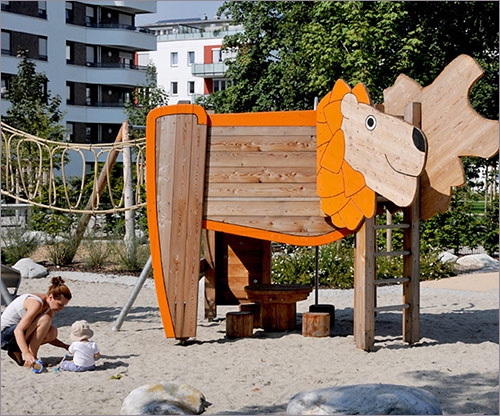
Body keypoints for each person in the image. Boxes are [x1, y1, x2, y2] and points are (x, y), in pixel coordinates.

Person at [1, 276, 72, 368]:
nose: (61, 308)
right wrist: (26, 353)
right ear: (51, 297)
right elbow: (18, 330)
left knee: (52, 331)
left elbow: (42, 335)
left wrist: (65, 346)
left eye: (63, 306)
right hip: (5, 337)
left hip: (15, 336)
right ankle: (31, 359)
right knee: (45, 319)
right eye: (60, 304)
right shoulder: (36, 303)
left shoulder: (49, 308)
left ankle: (19, 353)